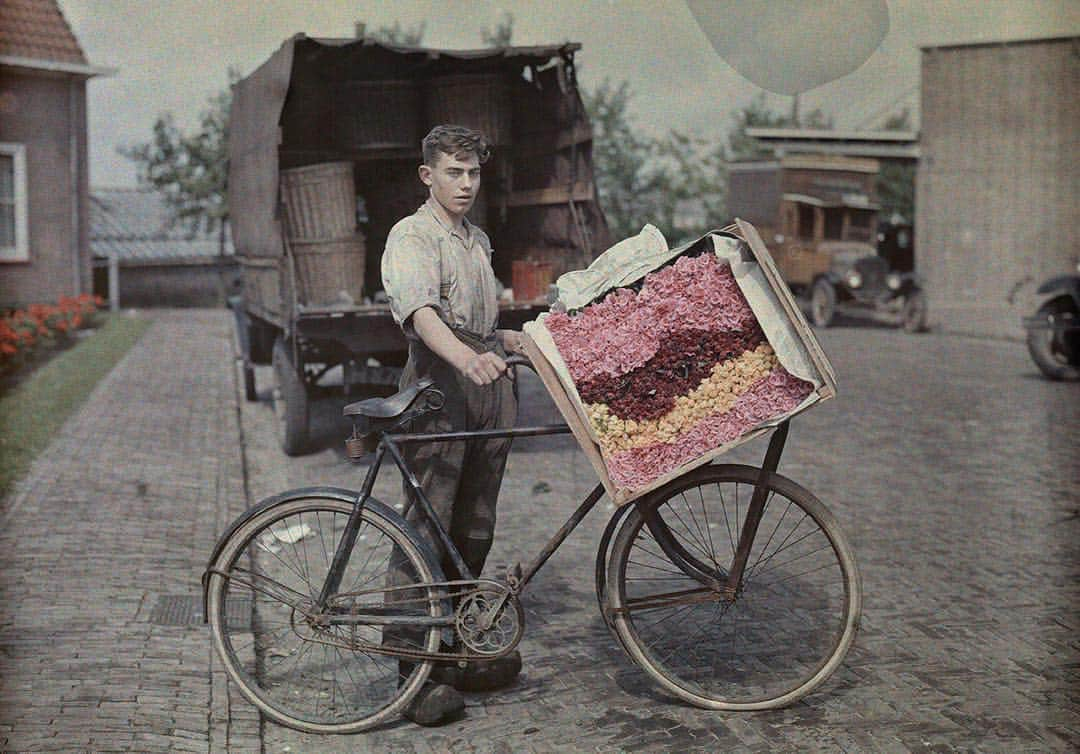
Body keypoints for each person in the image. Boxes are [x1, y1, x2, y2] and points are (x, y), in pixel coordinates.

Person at [381, 124, 525, 726]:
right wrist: (466, 358)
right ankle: (410, 667)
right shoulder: (412, 236)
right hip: (441, 390)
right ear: (428, 176)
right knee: (427, 522)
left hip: (487, 389)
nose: (465, 184)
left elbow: (481, 323)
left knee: (476, 521)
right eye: (453, 173)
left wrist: (518, 340)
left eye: (473, 174)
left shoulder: (476, 239)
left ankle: (455, 648)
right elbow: (421, 314)